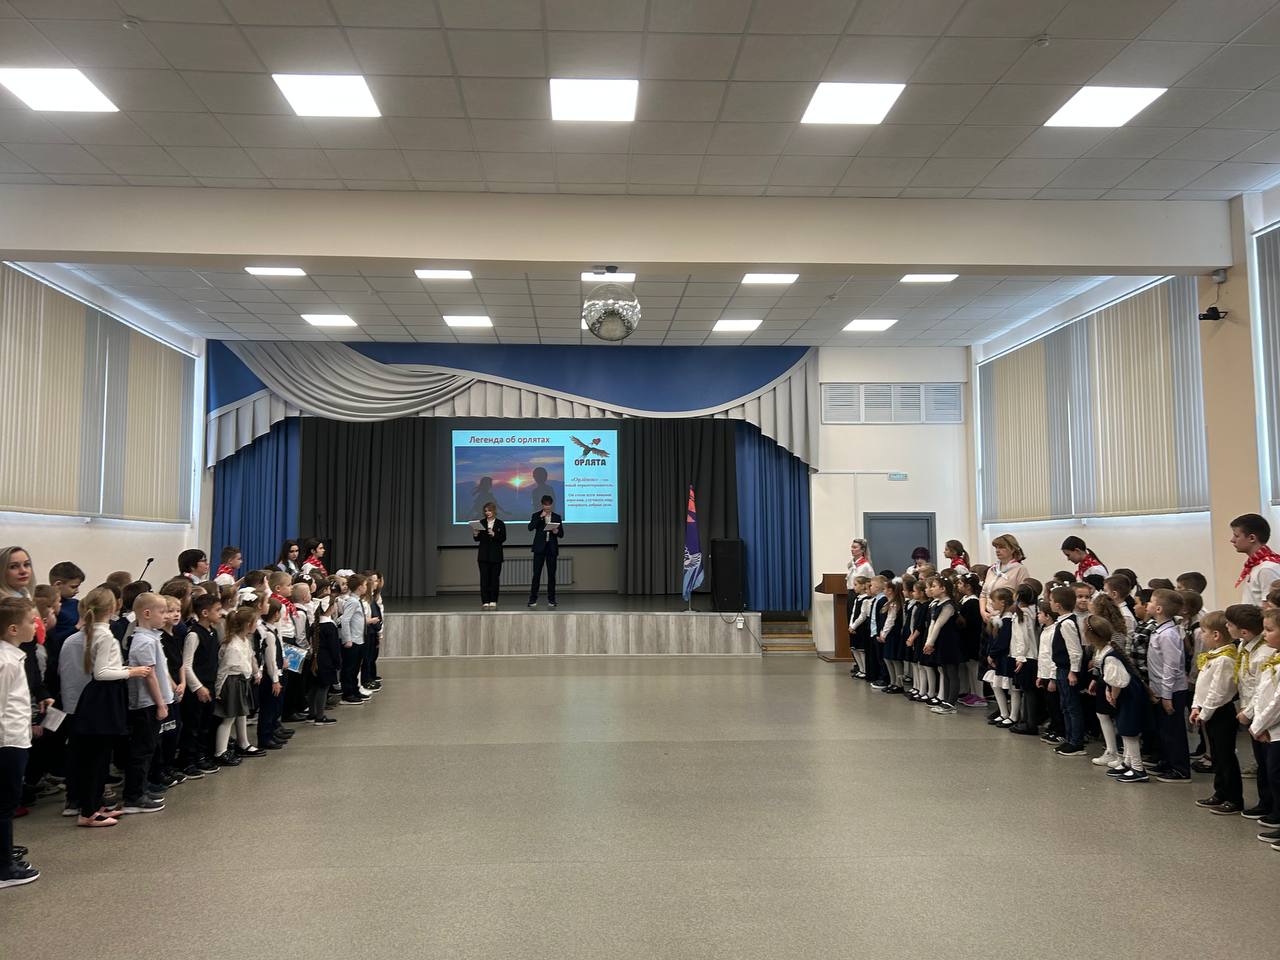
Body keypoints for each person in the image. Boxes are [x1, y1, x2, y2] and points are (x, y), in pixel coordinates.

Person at [0, 597, 38, 888]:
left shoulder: (14, 656)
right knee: (5, 804)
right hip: (7, 742)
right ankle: (4, 869)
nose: (36, 625)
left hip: (16, 738)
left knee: (7, 802)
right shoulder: (5, 661)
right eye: (30, 621)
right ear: (13, 629)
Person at [123, 593, 172, 815]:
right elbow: (149, 676)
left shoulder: (151, 637)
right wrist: (160, 704)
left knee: (149, 748)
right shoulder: (143, 641)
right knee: (142, 751)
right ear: (147, 613)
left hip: (153, 702)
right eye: (162, 612)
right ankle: (134, 797)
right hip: (147, 704)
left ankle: (141, 789)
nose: (166, 616)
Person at [1190, 611, 1243, 815]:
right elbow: (1202, 685)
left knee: (1225, 756)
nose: (1201, 635)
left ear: (1216, 635)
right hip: (1208, 711)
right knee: (1217, 756)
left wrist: (1204, 714)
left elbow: (1219, 692)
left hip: (1220, 712)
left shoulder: (1225, 659)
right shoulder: (1214, 655)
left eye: (1203, 632)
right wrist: (1196, 706)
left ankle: (1234, 798)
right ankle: (1220, 792)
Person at [1228, 604, 1271, 820]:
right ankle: (1265, 802)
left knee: (1269, 763)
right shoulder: (1243, 646)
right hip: (1250, 710)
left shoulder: (1263, 654)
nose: (1227, 627)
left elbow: (1262, 689)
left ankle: (1272, 805)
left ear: (1243, 631)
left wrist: (1250, 712)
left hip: (1263, 714)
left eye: (1230, 624)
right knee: (1261, 761)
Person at [1148, 589, 1191, 783]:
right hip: (1160, 689)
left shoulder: (1168, 635)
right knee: (1164, 730)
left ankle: (1180, 769)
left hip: (1172, 691)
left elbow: (1171, 666)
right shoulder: (1160, 630)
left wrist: (1166, 695)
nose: (1147, 605)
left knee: (1173, 731)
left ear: (1158, 609)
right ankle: (1167, 761)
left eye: (1151, 602)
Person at [179, 594, 223, 777]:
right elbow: (186, 665)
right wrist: (198, 687)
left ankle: (201, 756)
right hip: (196, 689)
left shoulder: (212, 632)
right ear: (205, 613)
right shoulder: (194, 635)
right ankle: (187, 761)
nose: (221, 613)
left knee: (205, 724)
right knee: (193, 726)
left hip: (209, 685)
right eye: (217, 610)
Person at [214, 607, 263, 764]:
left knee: (242, 714)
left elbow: (250, 658)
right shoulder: (232, 646)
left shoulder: (244, 640)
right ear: (248, 624)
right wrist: (218, 690)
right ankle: (220, 752)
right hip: (231, 682)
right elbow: (223, 670)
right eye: (255, 622)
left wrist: (255, 673)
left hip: (241, 681)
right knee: (229, 718)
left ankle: (243, 743)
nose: (257, 624)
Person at [1248, 607, 1280, 848]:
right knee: (1273, 774)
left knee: (1277, 776)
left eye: (1269, 630)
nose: (1264, 634)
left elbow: (1277, 702)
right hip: (1271, 727)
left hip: (1275, 728)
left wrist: (1258, 725)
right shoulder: (1274, 658)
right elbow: (1261, 693)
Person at [1046, 585, 1086, 757]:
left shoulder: (1067, 623)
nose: (1049, 603)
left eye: (1051, 600)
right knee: (1065, 705)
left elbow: (1075, 650)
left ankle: (1076, 742)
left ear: (1058, 605)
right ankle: (1069, 739)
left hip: (1067, 670)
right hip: (1061, 669)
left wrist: (1073, 671)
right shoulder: (1062, 621)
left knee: (1071, 706)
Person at [922, 576, 962, 714]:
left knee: (951, 672)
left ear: (943, 589)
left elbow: (939, 624)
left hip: (949, 642)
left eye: (934, 586)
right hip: (940, 642)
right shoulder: (937, 604)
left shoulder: (948, 605)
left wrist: (930, 642)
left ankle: (951, 703)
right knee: (945, 671)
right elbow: (932, 624)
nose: (931, 589)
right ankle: (945, 700)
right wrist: (929, 642)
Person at [1231, 513, 1280, 606]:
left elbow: (1272, 607)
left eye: (1236, 536)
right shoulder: (1255, 565)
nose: (1232, 540)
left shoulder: (1267, 568)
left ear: (1252, 538)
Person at [980, 535, 1028, 623]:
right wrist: (983, 612)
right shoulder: (992, 569)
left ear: (1012, 549)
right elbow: (983, 595)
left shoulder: (1020, 569)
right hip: (988, 617)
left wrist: (1002, 613)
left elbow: (1022, 597)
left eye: (1002, 547)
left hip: (1006, 617)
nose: (997, 550)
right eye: (996, 547)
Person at [528, 495, 564, 608]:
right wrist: (540, 517)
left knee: (551, 575)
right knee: (536, 574)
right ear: (542, 505)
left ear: (552, 505)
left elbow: (561, 534)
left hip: (551, 549)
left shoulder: (557, 517)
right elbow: (530, 527)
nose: (547, 507)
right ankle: (532, 599)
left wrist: (556, 531)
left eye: (549, 505)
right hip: (539, 549)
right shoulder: (536, 515)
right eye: (545, 505)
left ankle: (552, 600)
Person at [309, 595, 341, 727]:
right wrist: (338, 663)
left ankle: (312, 713)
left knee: (314, 687)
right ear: (330, 608)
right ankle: (320, 716)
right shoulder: (329, 626)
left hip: (315, 659)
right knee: (323, 687)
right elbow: (334, 647)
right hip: (326, 661)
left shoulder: (315, 624)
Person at [338, 574, 368, 705]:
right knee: (349, 668)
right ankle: (347, 694)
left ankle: (355, 689)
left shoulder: (357, 600)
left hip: (359, 639)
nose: (366, 587)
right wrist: (347, 639)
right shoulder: (353, 601)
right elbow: (345, 620)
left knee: (355, 667)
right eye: (365, 585)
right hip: (353, 641)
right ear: (360, 587)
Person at [474, 501, 507, 609]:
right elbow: (477, 539)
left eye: (489, 510)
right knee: (484, 579)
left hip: (496, 556)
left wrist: (494, 534)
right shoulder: (481, 523)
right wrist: (475, 534)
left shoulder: (500, 523)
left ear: (494, 511)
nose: (487, 513)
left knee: (494, 579)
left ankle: (493, 600)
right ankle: (485, 601)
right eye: (486, 511)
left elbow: (503, 538)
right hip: (483, 556)